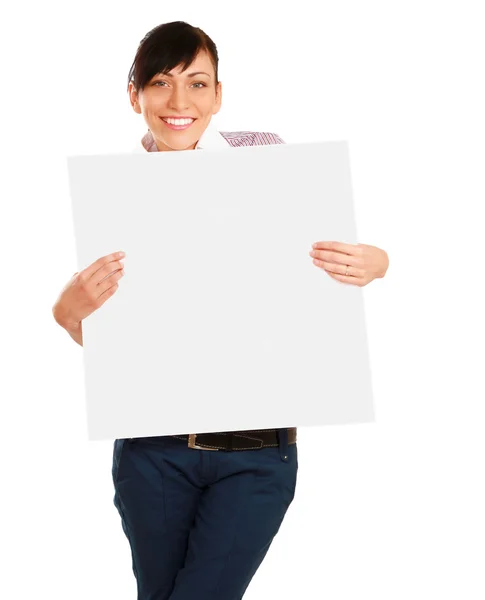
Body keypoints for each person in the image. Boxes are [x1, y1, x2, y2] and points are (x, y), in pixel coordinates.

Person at [52, 20, 389, 600]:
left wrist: (374, 262)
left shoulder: (265, 156)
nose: (179, 102)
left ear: (219, 94)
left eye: (198, 84)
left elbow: (336, 260)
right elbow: (125, 338)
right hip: (154, 452)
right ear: (134, 95)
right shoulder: (114, 192)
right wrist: (68, 312)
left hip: (259, 454)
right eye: (160, 82)